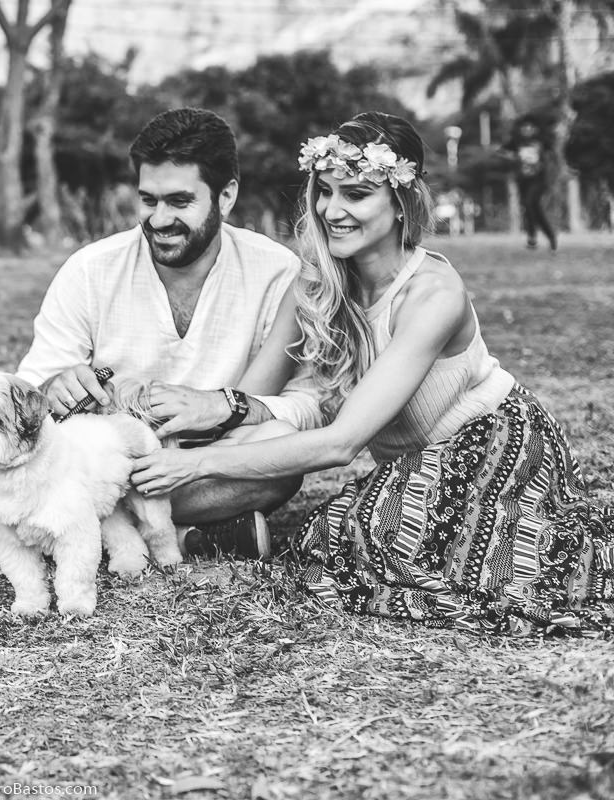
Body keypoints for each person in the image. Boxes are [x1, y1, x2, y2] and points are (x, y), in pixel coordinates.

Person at [131, 111, 614, 636]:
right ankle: (190, 531)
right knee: (347, 525)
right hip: (410, 464)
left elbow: (341, 444)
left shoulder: (434, 294)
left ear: (402, 202)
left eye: (356, 194)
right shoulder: (314, 283)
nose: (332, 210)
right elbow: (247, 398)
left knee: (364, 533)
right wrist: (162, 424)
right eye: (325, 191)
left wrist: (195, 466)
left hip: (492, 440)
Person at [0, 108, 323, 561]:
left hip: (207, 463)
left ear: (227, 195)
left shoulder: (277, 272)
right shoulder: (91, 268)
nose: (158, 219)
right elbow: (26, 396)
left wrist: (223, 407)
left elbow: (311, 407)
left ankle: (65, 535)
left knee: (282, 457)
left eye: (179, 202)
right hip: (95, 468)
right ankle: (186, 536)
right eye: (148, 200)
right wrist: (54, 388)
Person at [505, 118, 558, 251]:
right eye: (524, 127)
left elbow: (553, 155)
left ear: (534, 129)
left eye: (530, 127)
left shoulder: (542, 141)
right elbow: (501, 151)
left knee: (530, 204)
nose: (527, 130)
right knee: (532, 209)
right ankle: (545, 237)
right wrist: (513, 157)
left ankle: (537, 237)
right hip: (524, 181)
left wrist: (546, 165)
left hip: (539, 180)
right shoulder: (516, 142)